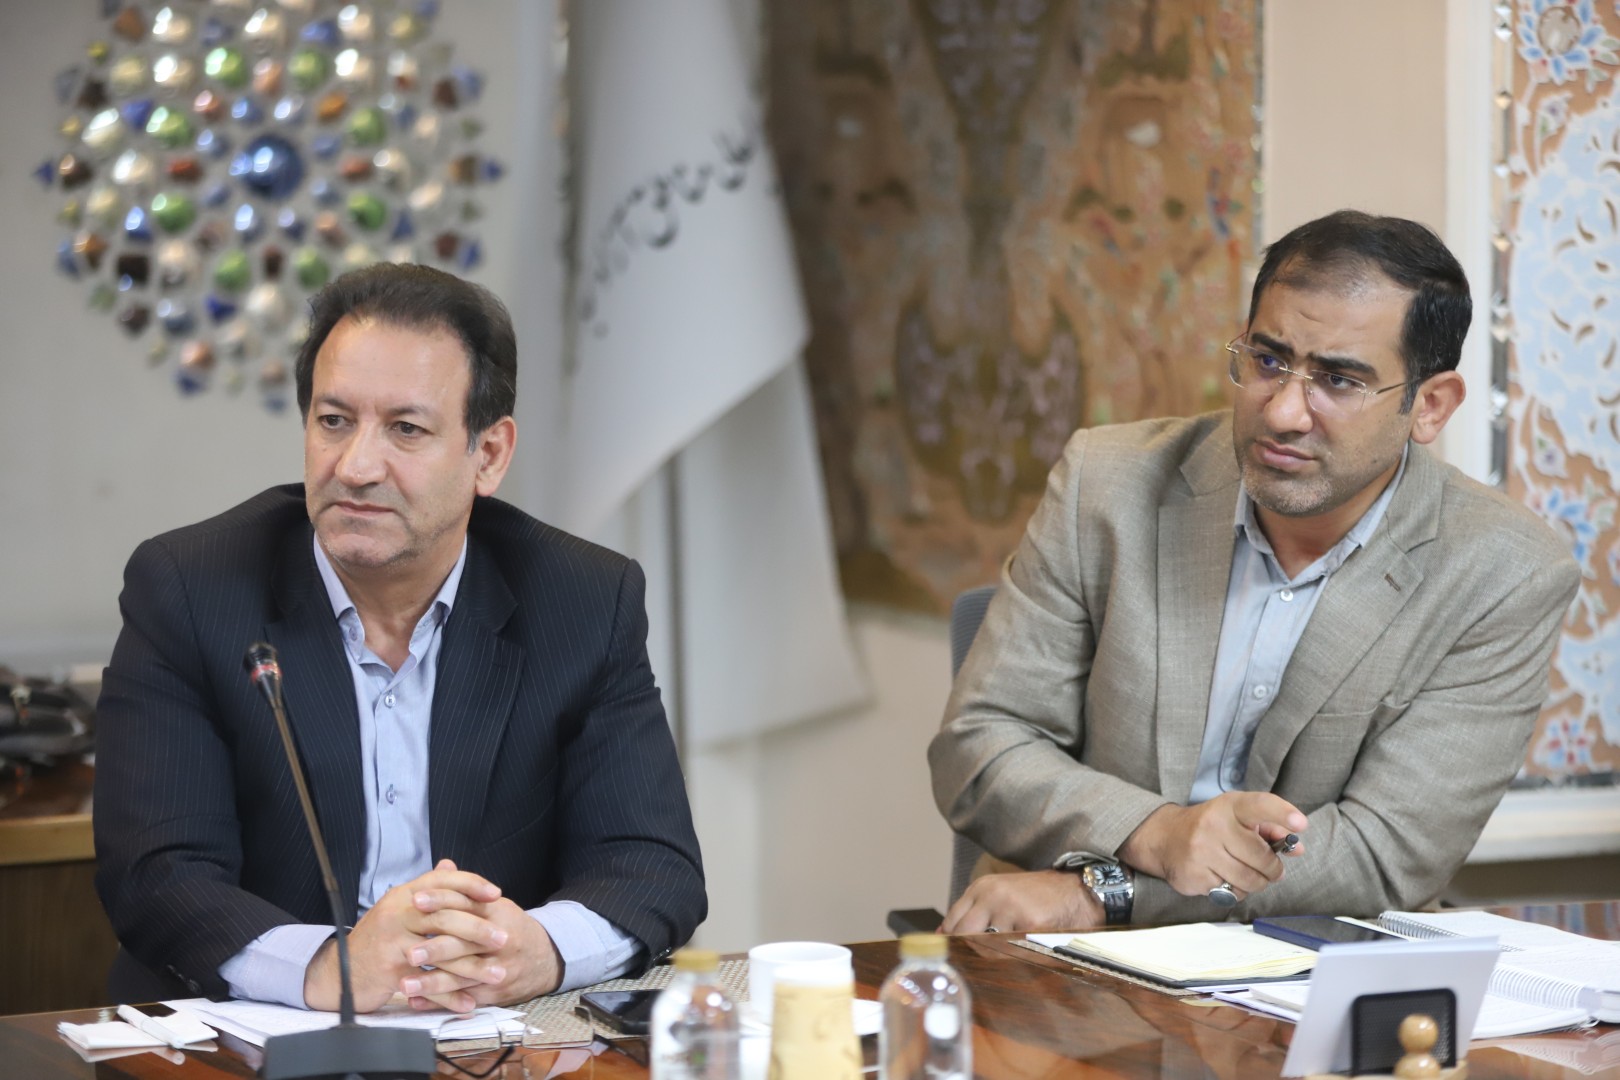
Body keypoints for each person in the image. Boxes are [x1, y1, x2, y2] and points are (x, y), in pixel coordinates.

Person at [929, 210, 1578, 934]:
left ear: (1429, 405)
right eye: (1268, 361)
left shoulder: (1504, 571)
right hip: (1054, 955)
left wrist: (1108, 894)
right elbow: (981, 747)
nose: (1285, 412)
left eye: (1339, 380)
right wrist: (1156, 832)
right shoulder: (1107, 485)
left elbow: (1383, 854)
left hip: (1313, 963)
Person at [94, 264, 705, 1012]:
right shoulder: (191, 589)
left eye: (406, 429)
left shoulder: (582, 600)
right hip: (248, 1037)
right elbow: (156, 873)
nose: (355, 467)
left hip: (486, 1036)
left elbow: (652, 864)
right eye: (334, 421)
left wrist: (533, 951)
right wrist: (329, 967)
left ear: (488, 455)